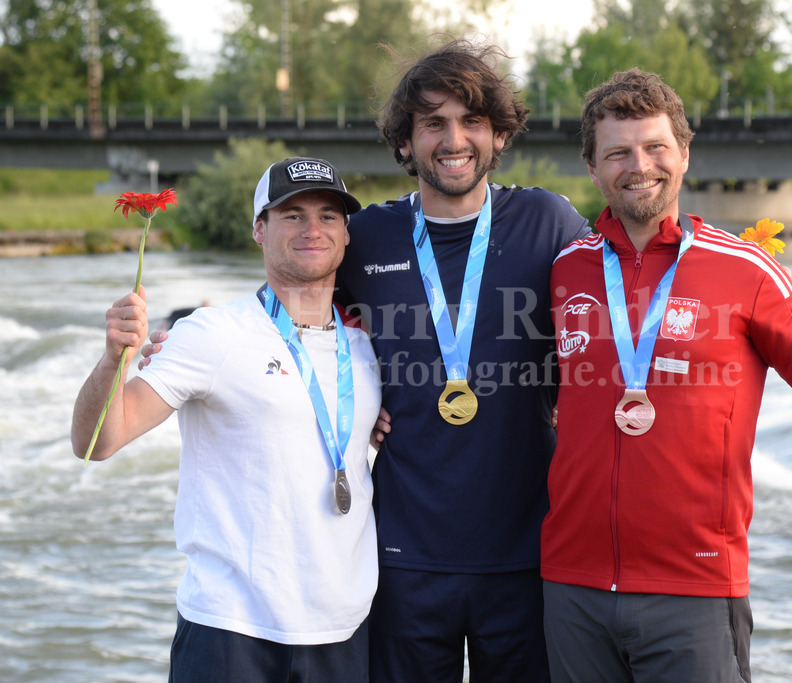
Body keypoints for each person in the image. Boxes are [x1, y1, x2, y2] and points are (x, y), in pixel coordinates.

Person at [540, 69, 792, 683]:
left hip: (695, 587)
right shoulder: (565, 269)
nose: (639, 165)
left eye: (656, 147)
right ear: (593, 169)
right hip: (571, 587)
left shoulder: (747, 270)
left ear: (685, 154)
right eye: (617, 152)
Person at [335, 39, 592, 682]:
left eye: (472, 120)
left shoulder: (548, 221)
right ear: (405, 143)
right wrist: (353, 405)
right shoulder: (365, 236)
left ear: (499, 135)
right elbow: (299, 329)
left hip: (528, 553)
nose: (455, 139)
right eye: (433, 124)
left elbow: (625, 308)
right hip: (403, 557)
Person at [71, 157, 381, 682]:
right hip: (230, 629)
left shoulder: (369, 347)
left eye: (329, 216)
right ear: (259, 230)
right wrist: (111, 360)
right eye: (291, 215)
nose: (312, 229)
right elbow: (97, 442)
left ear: (346, 234)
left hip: (343, 628)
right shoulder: (210, 333)